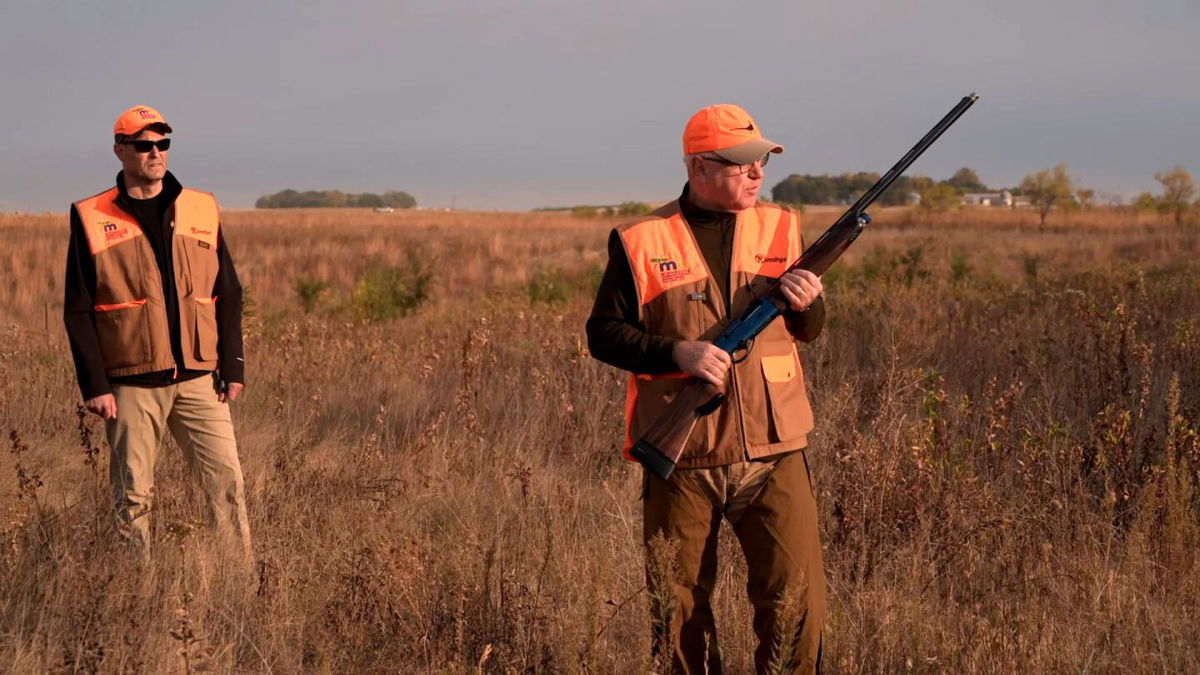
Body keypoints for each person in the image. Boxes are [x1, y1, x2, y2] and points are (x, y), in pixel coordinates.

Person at [587, 103, 827, 673]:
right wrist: (677, 353)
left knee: (797, 606)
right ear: (697, 167)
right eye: (741, 162)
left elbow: (810, 332)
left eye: (761, 161)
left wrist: (809, 305)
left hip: (774, 449)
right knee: (678, 614)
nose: (756, 173)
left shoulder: (782, 226)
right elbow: (604, 334)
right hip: (684, 454)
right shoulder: (641, 239)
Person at [63, 104, 251, 559]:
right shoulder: (91, 215)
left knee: (227, 485)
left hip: (198, 378)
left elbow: (226, 290)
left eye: (162, 144)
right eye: (144, 145)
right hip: (130, 382)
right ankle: (138, 594)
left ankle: (239, 586)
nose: (155, 153)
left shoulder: (201, 207)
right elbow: (78, 309)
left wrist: (233, 365)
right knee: (132, 497)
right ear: (120, 150)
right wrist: (96, 385)